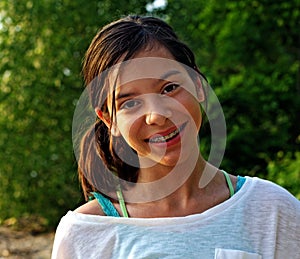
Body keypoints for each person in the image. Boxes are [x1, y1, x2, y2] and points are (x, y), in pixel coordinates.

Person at [51, 15, 300, 259]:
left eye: (169, 88)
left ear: (199, 85)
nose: (156, 115)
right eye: (131, 103)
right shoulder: (84, 234)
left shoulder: (273, 210)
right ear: (109, 120)